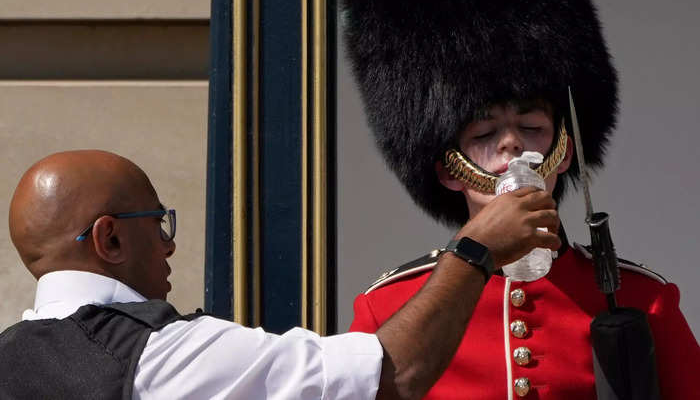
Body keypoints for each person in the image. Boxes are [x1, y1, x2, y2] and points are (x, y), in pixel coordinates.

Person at [342, 0, 699, 399]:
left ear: (564, 151)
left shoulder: (646, 300)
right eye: (485, 134)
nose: (513, 146)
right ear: (448, 168)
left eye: (531, 128)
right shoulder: (389, 307)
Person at [0, 149, 558, 399]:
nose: (169, 248)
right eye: (158, 224)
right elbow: (393, 374)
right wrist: (474, 250)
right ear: (110, 238)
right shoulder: (162, 358)